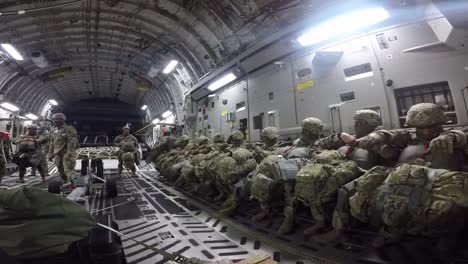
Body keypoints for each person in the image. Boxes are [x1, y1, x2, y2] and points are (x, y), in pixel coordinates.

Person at [357, 103, 468, 171]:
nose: (426, 131)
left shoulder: (451, 135)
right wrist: (378, 135)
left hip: (444, 186)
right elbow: (394, 134)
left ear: (440, 124)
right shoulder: (409, 137)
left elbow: (463, 134)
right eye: (420, 128)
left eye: (432, 126)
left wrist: (453, 137)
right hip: (405, 184)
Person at [48, 113, 79, 183]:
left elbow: (72, 142)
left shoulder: (69, 129)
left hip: (66, 153)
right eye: (54, 120)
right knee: (60, 169)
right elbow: (52, 143)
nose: (55, 121)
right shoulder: (54, 130)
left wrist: (70, 153)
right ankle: (65, 182)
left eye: (57, 120)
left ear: (62, 120)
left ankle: (74, 183)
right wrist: (50, 154)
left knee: (68, 169)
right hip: (57, 154)